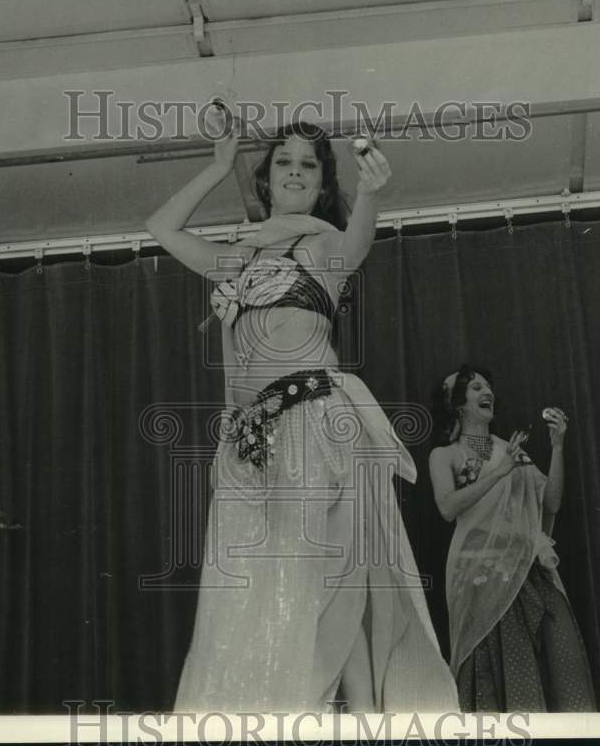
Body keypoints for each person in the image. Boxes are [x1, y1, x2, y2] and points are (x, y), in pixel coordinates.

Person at [146, 108, 456, 713]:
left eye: (308, 165)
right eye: (282, 162)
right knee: (266, 594)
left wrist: (369, 192)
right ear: (266, 181)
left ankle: (362, 717)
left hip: (317, 421)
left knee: (334, 580)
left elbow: (360, 238)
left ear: (321, 184)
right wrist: (217, 165)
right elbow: (161, 226)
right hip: (254, 440)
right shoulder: (235, 258)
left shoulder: (321, 248)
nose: (294, 172)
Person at [428, 364, 596, 712]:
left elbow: (551, 501)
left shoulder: (511, 450)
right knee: (500, 665)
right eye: (476, 388)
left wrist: (558, 446)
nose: (487, 392)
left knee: (559, 654)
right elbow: (447, 508)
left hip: (525, 568)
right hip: (479, 574)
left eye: (488, 386)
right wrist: (501, 470)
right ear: (458, 403)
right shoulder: (444, 455)